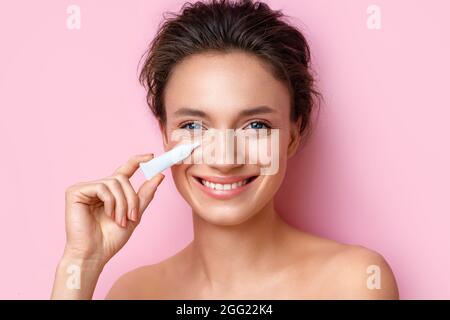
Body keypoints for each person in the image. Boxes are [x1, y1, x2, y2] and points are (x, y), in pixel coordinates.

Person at [51, 0, 399, 299]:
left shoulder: (354, 281)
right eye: (193, 127)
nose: (225, 159)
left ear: (293, 135)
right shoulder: (132, 292)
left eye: (256, 126)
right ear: (166, 135)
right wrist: (81, 263)